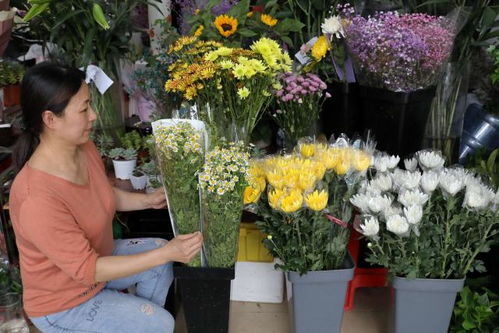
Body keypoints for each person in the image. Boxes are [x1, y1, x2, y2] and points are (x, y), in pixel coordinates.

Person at [9, 62, 203, 333]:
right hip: (63, 303)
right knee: (161, 320)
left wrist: (147, 200)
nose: (94, 116)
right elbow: (89, 269)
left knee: (159, 260)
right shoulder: (36, 197)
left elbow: (101, 194)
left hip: (95, 264)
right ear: (50, 119)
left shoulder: (82, 146)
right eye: (84, 108)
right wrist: (166, 252)